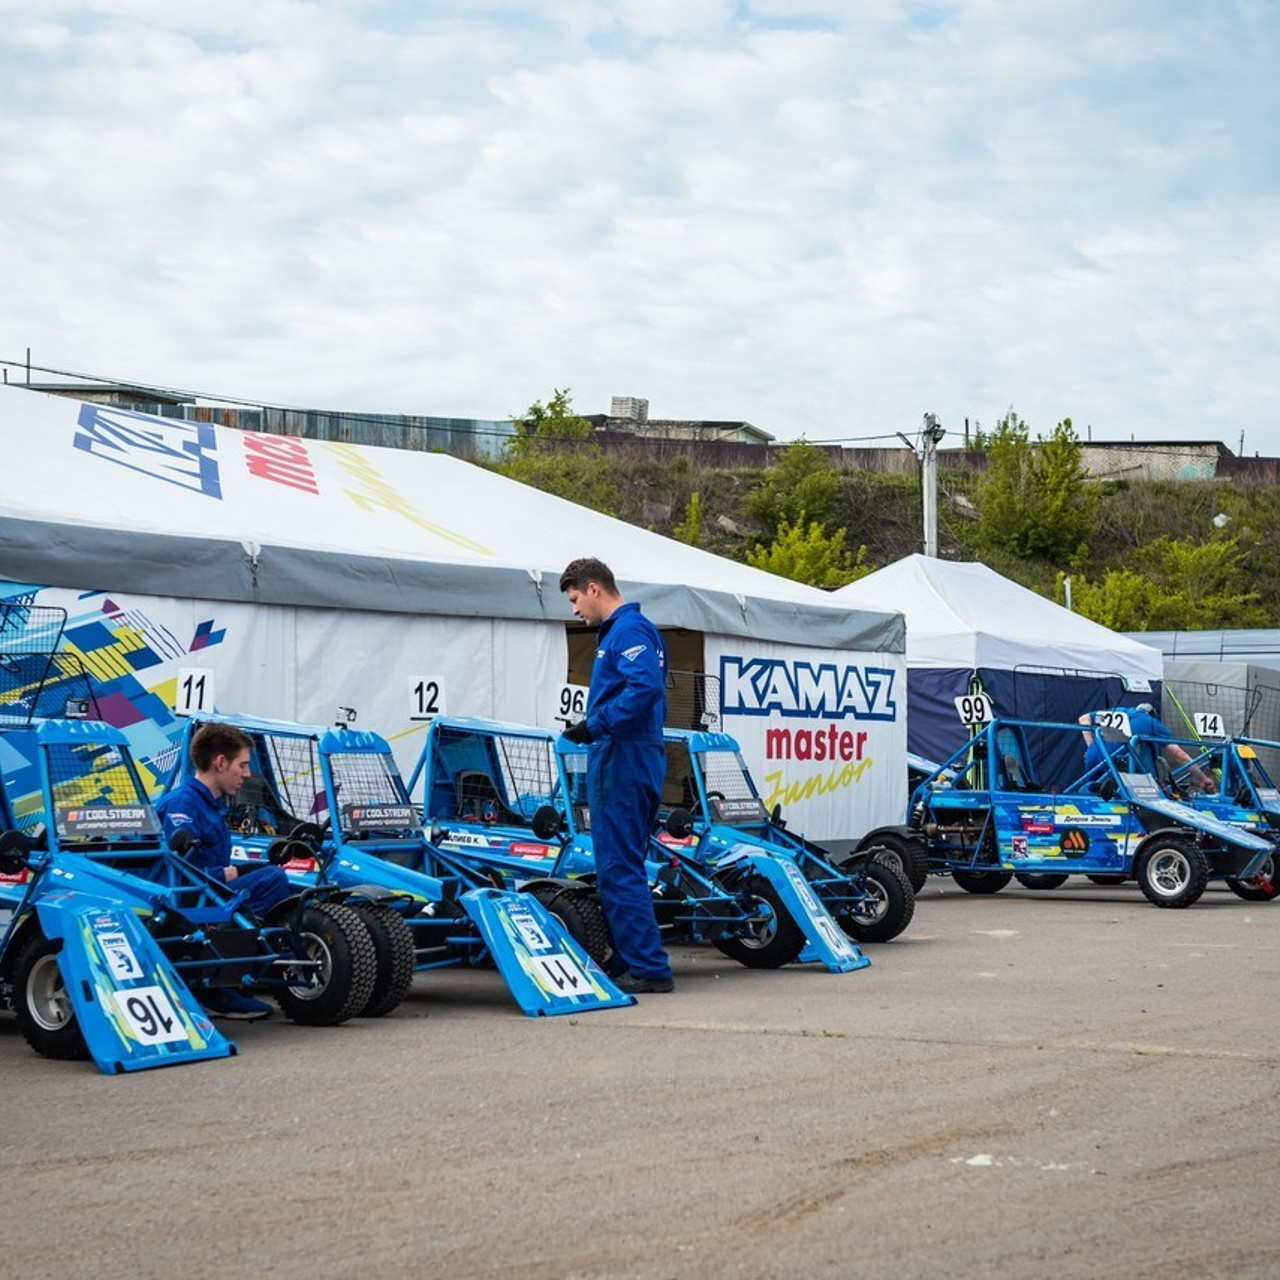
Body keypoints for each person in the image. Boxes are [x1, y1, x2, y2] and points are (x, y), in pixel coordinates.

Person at [559, 557, 674, 995]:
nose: (575, 611)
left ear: (593, 589)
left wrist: (596, 725)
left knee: (617, 867)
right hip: (632, 755)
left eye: (574, 600)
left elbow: (644, 688)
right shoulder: (627, 631)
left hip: (622, 757)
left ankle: (648, 968)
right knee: (625, 865)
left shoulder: (627, 631)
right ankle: (630, 959)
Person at [156, 722, 293, 1020]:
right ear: (220, 763)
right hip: (185, 903)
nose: (247, 774)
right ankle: (214, 985)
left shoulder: (210, 803)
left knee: (273, 875)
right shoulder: (183, 803)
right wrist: (222, 875)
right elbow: (175, 868)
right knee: (271, 880)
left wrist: (233, 872)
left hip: (206, 892)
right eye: (242, 765)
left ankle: (242, 971)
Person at [1079, 703, 1214, 792]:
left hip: (1093, 758)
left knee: (1092, 791)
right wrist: (1203, 779)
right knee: (1141, 749)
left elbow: (1083, 719)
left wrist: (1091, 746)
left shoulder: (1120, 711)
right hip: (1119, 763)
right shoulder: (1153, 723)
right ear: (1153, 714)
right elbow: (1180, 755)